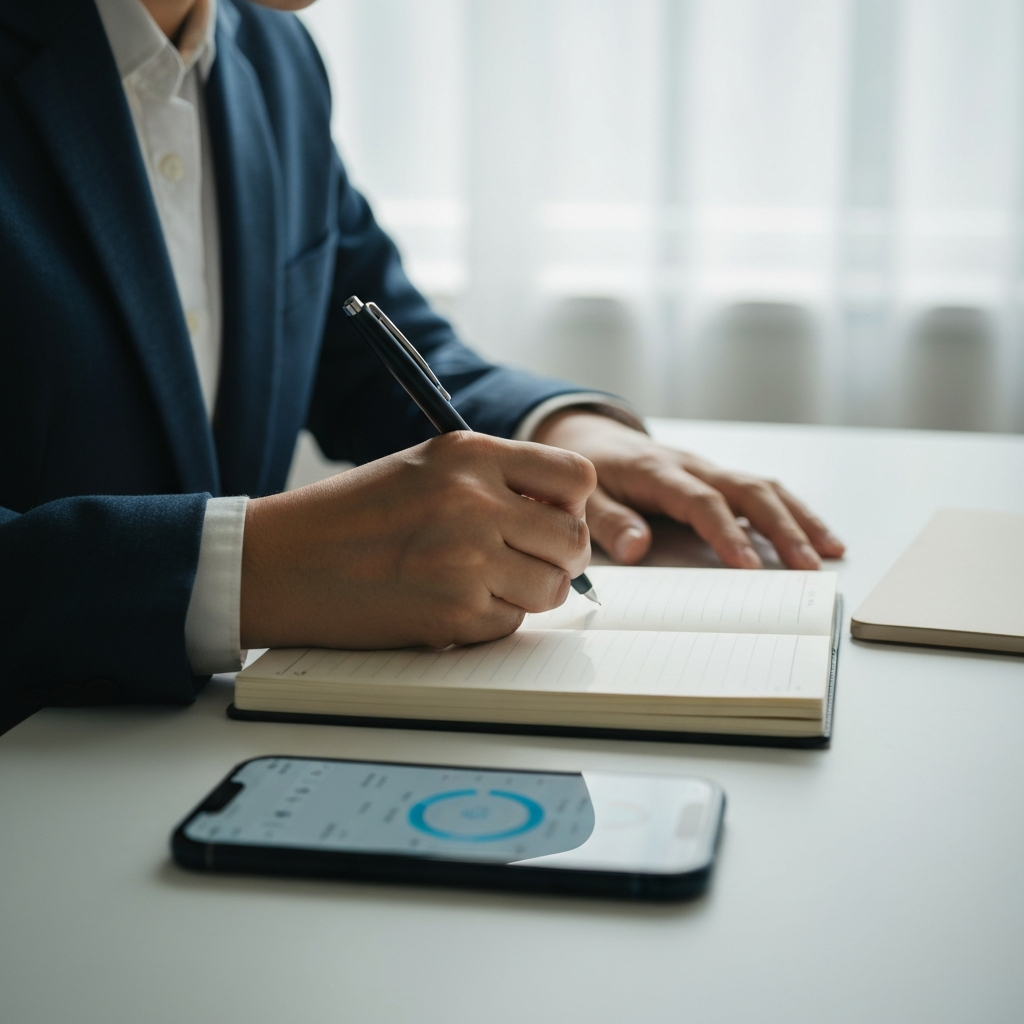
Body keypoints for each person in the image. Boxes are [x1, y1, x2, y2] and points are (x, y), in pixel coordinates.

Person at [0, 0, 844, 725]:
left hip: (195, 756)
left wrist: (563, 430)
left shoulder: (272, 55)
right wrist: (250, 572)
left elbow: (377, 347)